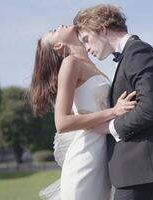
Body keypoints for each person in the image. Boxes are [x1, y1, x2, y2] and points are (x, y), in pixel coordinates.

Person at [73, 4, 153, 200]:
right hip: (134, 171)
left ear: (102, 29)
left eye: (86, 39)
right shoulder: (129, 55)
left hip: (140, 168)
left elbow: (150, 109)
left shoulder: (138, 52)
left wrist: (109, 127)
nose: (87, 48)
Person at [29, 24, 137, 200]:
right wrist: (114, 111)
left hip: (104, 157)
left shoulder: (93, 64)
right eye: (53, 31)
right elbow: (62, 123)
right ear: (58, 46)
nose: (58, 26)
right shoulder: (70, 63)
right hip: (85, 157)